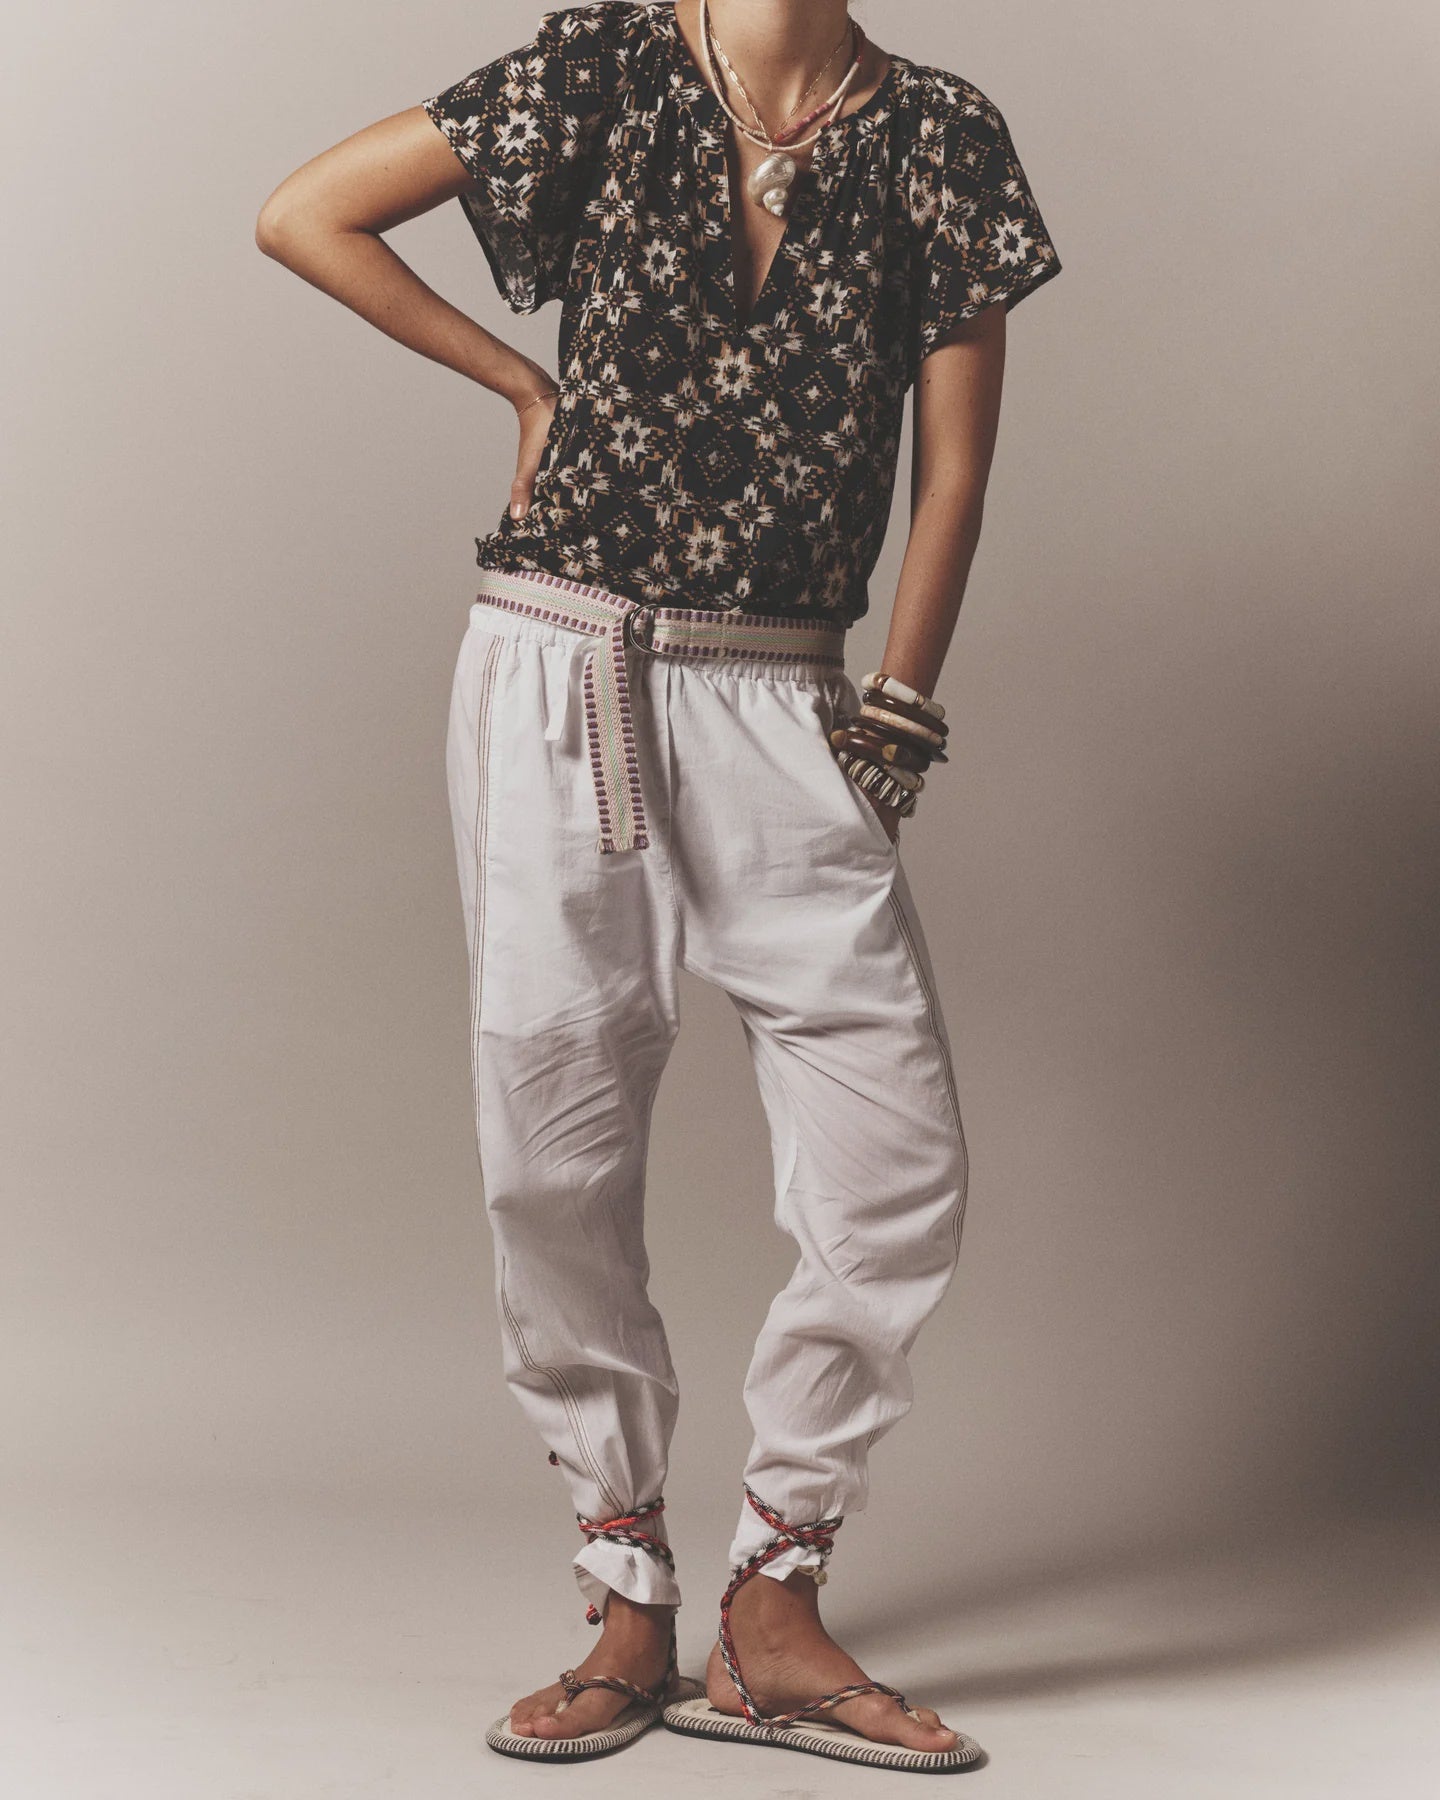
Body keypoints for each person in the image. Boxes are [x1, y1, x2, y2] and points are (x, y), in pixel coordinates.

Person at [256, 0, 1060, 1773]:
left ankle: (777, 1596)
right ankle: (627, 1589)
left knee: (893, 1154)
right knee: (554, 1145)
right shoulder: (607, 62)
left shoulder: (943, 134)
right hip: (563, 669)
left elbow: (959, 476)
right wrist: (521, 382)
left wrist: (896, 721)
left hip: (788, 689)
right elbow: (303, 210)